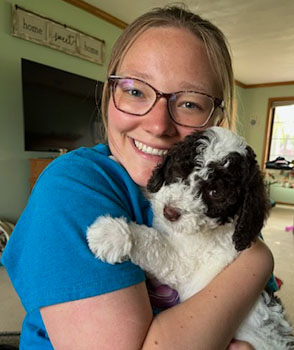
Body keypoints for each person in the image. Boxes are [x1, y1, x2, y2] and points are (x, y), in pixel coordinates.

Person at [2, 5, 275, 350]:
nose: (159, 125)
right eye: (135, 91)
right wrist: (258, 261)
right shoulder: (73, 186)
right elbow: (249, 270)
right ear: (109, 93)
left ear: (216, 117)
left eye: (190, 103)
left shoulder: (226, 199)